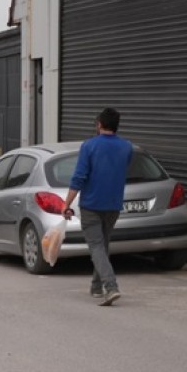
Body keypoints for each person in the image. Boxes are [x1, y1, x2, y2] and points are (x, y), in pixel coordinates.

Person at [63, 107, 134, 306]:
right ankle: (96, 286)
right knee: (102, 245)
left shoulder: (89, 146)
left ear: (99, 124)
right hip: (113, 204)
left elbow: (79, 177)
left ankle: (110, 286)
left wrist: (66, 203)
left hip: (91, 204)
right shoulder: (127, 147)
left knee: (96, 246)